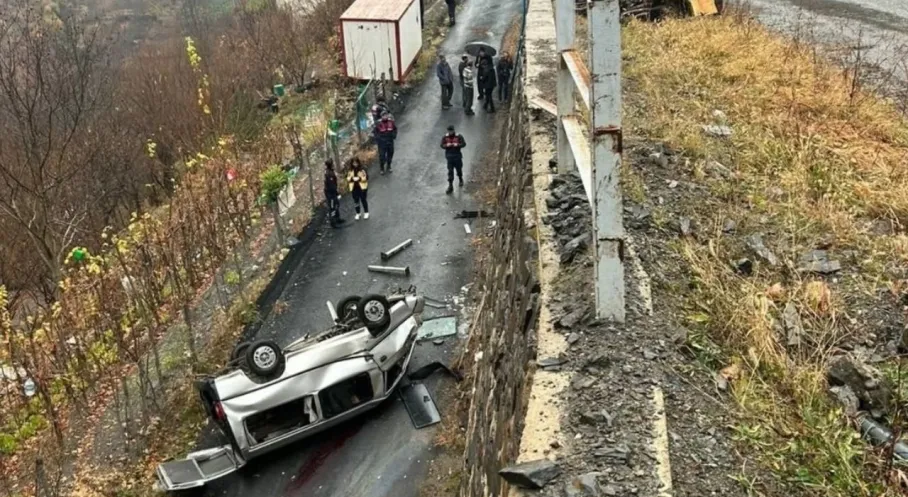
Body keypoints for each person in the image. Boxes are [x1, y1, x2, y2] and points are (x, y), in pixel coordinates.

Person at [440, 125, 466, 194]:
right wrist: (446, 145)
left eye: (451, 131)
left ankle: (460, 179)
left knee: (459, 169)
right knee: (450, 171)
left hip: (457, 156)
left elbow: (464, 144)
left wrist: (458, 145)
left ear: (454, 130)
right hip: (449, 157)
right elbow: (442, 145)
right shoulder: (445, 137)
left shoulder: (459, 136)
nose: (450, 132)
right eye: (449, 131)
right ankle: (450, 186)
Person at [324, 159, 344, 227]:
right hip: (330, 194)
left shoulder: (330, 171)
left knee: (336, 205)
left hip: (332, 192)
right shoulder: (329, 174)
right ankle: (333, 222)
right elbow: (331, 186)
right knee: (332, 207)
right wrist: (337, 193)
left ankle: (337, 218)